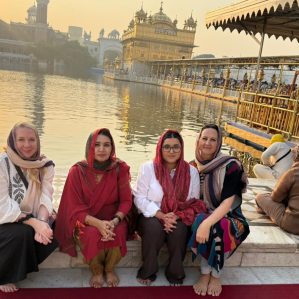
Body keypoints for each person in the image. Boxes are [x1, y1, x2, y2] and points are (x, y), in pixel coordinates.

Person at [55, 128, 132, 288]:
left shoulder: (119, 169)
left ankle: (110, 269)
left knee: (116, 232)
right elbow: (74, 208)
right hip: (85, 220)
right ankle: (97, 271)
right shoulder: (77, 171)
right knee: (91, 234)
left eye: (106, 145)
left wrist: (115, 220)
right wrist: (98, 224)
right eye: (97, 145)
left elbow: (126, 201)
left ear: (112, 148)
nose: (102, 149)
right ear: (89, 147)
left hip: (114, 218)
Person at [133, 129, 206, 286]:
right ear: (160, 148)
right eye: (167, 147)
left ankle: (174, 272)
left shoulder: (191, 172)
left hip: (179, 215)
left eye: (176, 147)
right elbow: (139, 198)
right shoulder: (148, 168)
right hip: (151, 214)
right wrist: (160, 214)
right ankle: (148, 270)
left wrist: (175, 216)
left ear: (182, 149)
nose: (171, 151)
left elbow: (193, 202)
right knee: (153, 229)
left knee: (179, 230)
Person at [189, 124, 249, 297]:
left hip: (230, 215)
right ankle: (205, 272)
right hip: (201, 213)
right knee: (200, 219)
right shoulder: (192, 166)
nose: (207, 143)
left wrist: (207, 223)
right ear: (198, 140)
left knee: (218, 226)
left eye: (213, 139)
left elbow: (227, 204)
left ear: (219, 143)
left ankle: (214, 274)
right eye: (204, 138)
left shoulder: (231, 166)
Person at [0, 122, 57, 293]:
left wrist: (42, 222)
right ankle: (3, 275)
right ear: (12, 141)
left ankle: (22, 264)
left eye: (32, 140)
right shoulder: (2, 163)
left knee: (57, 227)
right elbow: (1, 204)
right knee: (21, 233)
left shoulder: (45, 165)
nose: (27, 145)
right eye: (21, 140)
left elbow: (46, 196)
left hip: (32, 216)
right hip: (4, 218)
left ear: (37, 142)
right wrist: (34, 223)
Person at [255, 146, 299, 234]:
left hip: (291, 223)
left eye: (296, 147)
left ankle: (264, 210)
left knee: (260, 197)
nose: (292, 149)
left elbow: (275, 197)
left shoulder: (293, 172)